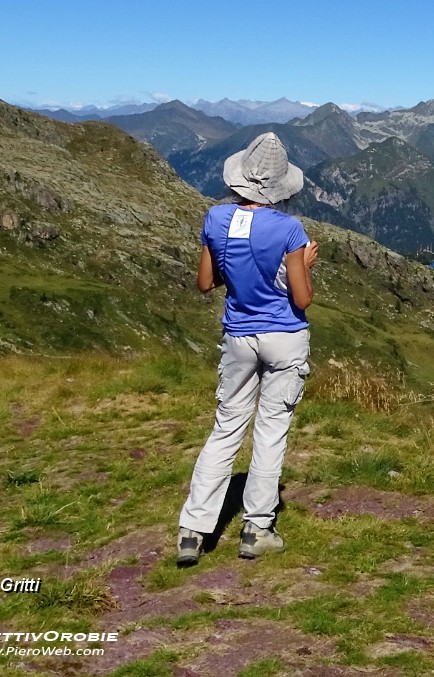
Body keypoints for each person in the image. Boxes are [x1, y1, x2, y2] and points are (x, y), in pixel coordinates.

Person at [177, 132, 319, 565]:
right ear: (280, 187)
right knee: (271, 429)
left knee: (226, 428)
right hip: (283, 337)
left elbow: (206, 283)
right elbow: (302, 298)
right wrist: (305, 264)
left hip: (238, 336)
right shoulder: (290, 229)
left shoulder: (215, 219)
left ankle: (193, 531)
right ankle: (257, 527)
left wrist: (238, 273)